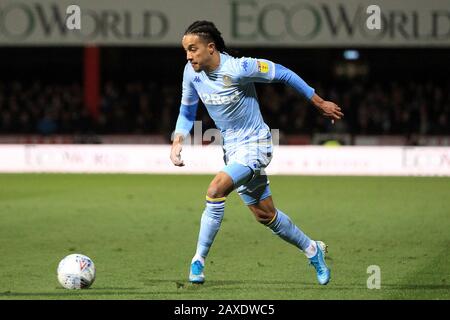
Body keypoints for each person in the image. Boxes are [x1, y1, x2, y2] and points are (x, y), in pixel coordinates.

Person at [170, 21, 343, 285]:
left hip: (256, 145)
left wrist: (319, 103)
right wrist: (177, 140)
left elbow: (282, 73)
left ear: (211, 47)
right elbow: (186, 110)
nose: (188, 56)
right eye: (186, 51)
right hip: (231, 149)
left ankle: (198, 261)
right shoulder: (190, 73)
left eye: (193, 49)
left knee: (216, 190)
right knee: (265, 214)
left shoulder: (239, 68)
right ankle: (312, 249)